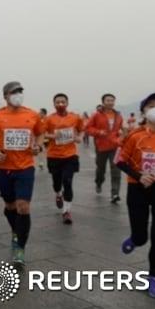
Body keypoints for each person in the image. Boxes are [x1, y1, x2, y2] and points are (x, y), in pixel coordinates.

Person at [0, 81, 44, 266]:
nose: (18, 94)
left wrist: (38, 146)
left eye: (20, 91)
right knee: (10, 206)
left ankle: (20, 247)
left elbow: (40, 134)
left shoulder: (32, 115)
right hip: (4, 168)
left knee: (23, 206)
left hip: (25, 167)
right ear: (6, 96)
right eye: (14, 92)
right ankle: (16, 231)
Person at [116, 93, 155, 299]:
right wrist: (140, 176)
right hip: (138, 189)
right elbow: (120, 161)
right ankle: (135, 239)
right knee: (141, 237)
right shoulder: (135, 136)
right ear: (144, 112)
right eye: (151, 106)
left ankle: (153, 278)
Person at [43, 94, 84, 224]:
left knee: (67, 181)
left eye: (63, 101)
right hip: (54, 156)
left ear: (67, 103)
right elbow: (43, 134)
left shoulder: (75, 117)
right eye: (58, 102)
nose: (60, 104)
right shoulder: (49, 119)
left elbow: (81, 130)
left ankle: (66, 211)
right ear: (54, 104)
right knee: (57, 183)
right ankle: (58, 193)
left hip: (70, 155)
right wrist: (53, 136)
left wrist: (79, 137)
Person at [86, 94, 124, 203]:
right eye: (108, 100)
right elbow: (87, 129)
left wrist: (122, 136)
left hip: (115, 146)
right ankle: (98, 182)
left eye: (112, 100)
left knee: (116, 170)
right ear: (103, 102)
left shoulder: (118, 115)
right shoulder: (96, 115)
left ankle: (115, 194)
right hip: (101, 147)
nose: (110, 102)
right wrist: (99, 132)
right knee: (100, 169)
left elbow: (122, 129)